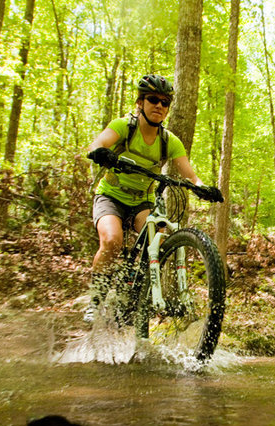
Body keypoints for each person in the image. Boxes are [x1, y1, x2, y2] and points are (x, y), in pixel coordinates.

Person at [84, 74, 204, 322]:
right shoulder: (123, 127)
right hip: (111, 197)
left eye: (165, 102)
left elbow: (191, 175)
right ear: (140, 102)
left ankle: (138, 292)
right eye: (153, 99)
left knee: (157, 242)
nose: (159, 106)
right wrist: (100, 153)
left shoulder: (169, 141)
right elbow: (98, 143)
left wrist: (204, 188)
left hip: (142, 202)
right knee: (112, 240)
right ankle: (95, 300)